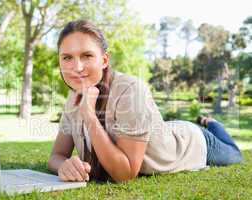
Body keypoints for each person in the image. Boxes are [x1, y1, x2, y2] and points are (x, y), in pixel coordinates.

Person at [47, 19, 242, 183]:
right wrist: (64, 165)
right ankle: (207, 122)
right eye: (67, 58)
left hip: (193, 143)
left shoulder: (131, 91)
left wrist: (89, 116)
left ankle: (212, 124)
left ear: (104, 60)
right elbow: (56, 156)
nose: (77, 67)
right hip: (167, 130)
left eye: (87, 55)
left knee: (235, 155)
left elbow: (125, 174)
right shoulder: (75, 97)